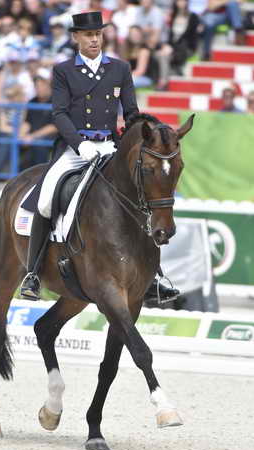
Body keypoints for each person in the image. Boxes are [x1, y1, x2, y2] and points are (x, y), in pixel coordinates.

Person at [20, 11, 179, 305]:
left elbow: (131, 113)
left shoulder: (119, 68)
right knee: (44, 200)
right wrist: (80, 145)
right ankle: (33, 273)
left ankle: (154, 275)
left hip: (109, 146)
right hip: (75, 148)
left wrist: (148, 133)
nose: (94, 39)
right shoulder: (64, 71)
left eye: (98, 34)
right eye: (88, 35)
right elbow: (59, 114)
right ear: (76, 37)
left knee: (139, 194)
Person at [21, 71, 57, 168]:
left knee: (39, 145)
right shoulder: (32, 101)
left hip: (52, 137)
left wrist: (32, 136)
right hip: (33, 137)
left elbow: (54, 127)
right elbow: (27, 122)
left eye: (42, 84)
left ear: (48, 84)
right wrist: (22, 135)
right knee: (13, 142)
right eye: (36, 85)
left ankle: (40, 177)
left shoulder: (57, 101)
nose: (39, 88)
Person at [168, 0, 200, 74]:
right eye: (179, 1)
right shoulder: (173, 16)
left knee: (182, 45)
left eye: (183, 1)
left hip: (186, 46)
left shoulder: (193, 16)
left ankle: (177, 67)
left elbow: (191, 35)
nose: (181, 3)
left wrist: (173, 46)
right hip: (173, 45)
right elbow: (170, 34)